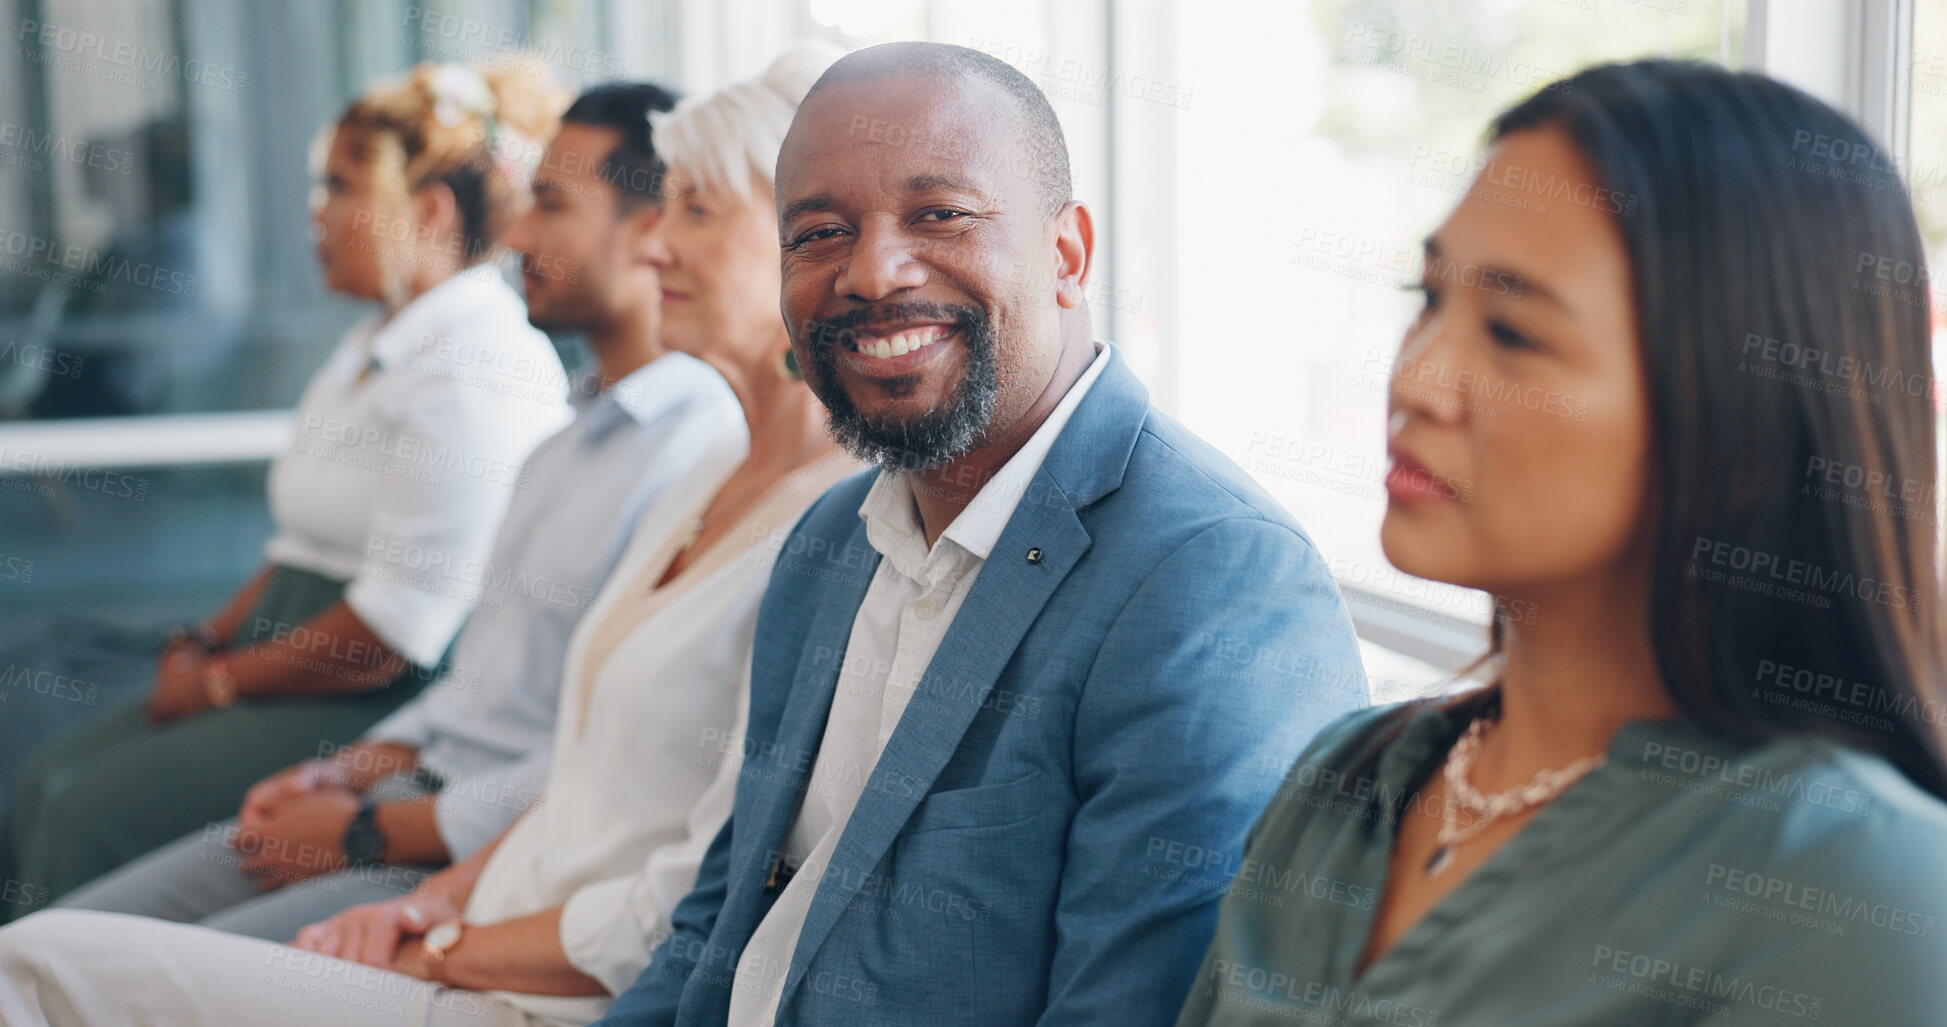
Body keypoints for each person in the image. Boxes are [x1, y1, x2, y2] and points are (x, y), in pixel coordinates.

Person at [0, 44, 866, 1027]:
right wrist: (357, 791)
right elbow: (565, 751)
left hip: (493, 910)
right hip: (457, 858)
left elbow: (681, 888)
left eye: (694, 212)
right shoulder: (658, 461)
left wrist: (396, 872)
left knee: (48, 945)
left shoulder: (788, 501)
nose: (659, 245)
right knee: (42, 928)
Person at [594, 41, 1368, 1027]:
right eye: (821, 232)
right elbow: (718, 925)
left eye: (941, 215)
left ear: (1068, 254)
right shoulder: (829, 541)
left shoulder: (1214, 578)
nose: (872, 272)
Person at [1175, 60, 1947, 1027]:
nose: (1415, 379)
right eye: (1428, 296)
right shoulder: (1345, 778)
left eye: (1510, 331)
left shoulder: (1864, 886)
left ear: (1745, 420)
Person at [0, 61, 574, 921]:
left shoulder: (477, 364)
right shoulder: (373, 343)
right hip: (289, 648)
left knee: (82, 812)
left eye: (340, 185)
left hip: (367, 693)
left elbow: (393, 636)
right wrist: (202, 637)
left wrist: (222, 681)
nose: (315, 210)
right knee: (44, 774)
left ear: (427, 212)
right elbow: (296, 546)